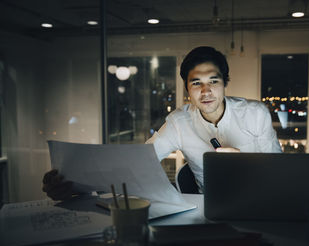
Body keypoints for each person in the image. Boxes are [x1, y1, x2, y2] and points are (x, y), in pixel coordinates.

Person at [42, 46, 282, 200]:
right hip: (208, 208)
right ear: (187, 88)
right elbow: (137, 163)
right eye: (196, 83)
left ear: (225, 83)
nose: (206, 91)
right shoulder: (180, 122)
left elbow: (279, 171)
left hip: (258, 202)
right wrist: (77, 186)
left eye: (213, 81)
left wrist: (247, 166)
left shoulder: (255, 113)